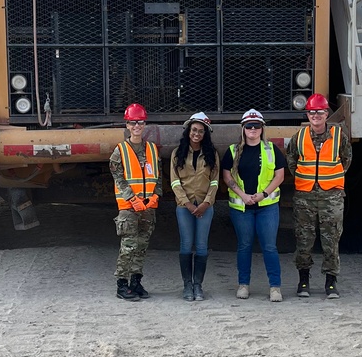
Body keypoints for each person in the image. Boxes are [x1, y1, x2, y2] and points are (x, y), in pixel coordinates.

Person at [285, 93, 353, 298]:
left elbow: (346, 160)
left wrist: (330, 180)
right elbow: (292, 162)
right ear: (308, 114)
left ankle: (331, 282)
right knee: (303, 240)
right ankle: (303, 281)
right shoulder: (299, 137)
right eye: (312, 112)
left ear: (326, 114)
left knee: (331, 240)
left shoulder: (339, 137)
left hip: (331, 197)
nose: (316, 116)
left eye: (320, 112)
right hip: (305, 196)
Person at [222, 108, 286, 302]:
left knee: (269, 247)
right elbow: (227, 176)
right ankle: (243, 285)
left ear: (262, 128)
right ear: (243, 128)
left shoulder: (271, 149)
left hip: (267, 206)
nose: (253, 129)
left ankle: (275, 287)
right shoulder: (233, 151)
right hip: (242, 208)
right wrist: (243, 195)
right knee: (244, 246)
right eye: (249, 126)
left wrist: (263, 194)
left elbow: (280, 175)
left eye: (256, 126)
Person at [109, 103, 161, 302]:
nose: (137, 126)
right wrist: (132, 199)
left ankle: (136, 282)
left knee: (142, 247)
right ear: (127, 125)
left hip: (148, 207)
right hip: (129, 208)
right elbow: (118, 178)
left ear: (144, 124)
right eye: (133, 122)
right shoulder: (119, 151)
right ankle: (121, 284)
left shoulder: (152, 149)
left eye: (140, 122)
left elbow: (157, 176)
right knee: (129, 246)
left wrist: (156, 196)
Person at [170, 112, 220, 302]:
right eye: (194, 130)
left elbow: (214, 182)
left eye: (201, 131)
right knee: (185, 245)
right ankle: (187, 285)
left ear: (205, 134)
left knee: (201, 246)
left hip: (205, 207)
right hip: (185, 207)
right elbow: (175, 182)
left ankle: (198, 285)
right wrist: (188, 204)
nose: (197, 134)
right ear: (188, 131)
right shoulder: (178, 153)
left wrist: (207, 203)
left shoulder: (212, 154)